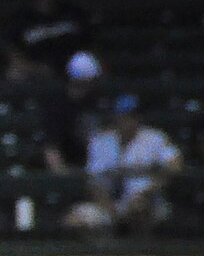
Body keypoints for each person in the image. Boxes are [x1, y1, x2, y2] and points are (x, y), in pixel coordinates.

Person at [75, 96, 182, 234]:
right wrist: (109, 208)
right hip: (109, 204)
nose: (126, 121)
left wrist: (149, 190)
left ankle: (143, 253)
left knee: (140, 210)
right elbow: (94, 182)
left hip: (146, 201)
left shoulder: (154, 138)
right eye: (121, 116)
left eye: (131, 116)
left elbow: (175, 165)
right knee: (75, 220)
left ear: (138, 118)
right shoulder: (100, 141)